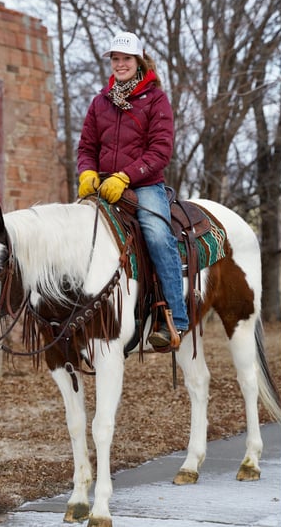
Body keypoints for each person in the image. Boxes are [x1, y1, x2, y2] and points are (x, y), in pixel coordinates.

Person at [76, 31, 188, 349]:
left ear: (138, 61)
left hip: (144, 184)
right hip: (102, 185)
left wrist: (125, 176)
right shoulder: (100, 102)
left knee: (156, 235)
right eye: (115, 59)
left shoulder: (155, 99)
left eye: (126, 58)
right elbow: (86, 146)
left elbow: (160, 151)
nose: (120, 64)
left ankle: (175, 320)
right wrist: (86, 172)